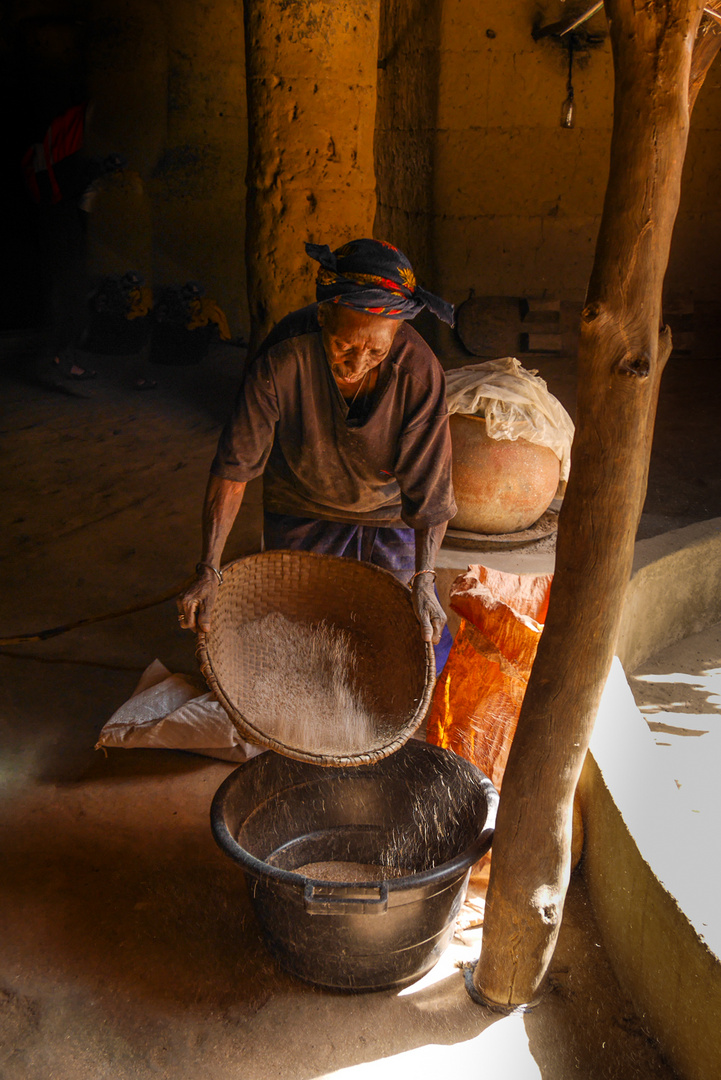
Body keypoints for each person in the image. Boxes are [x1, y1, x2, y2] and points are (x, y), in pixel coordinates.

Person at [177, 238, 457, 671]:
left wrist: (425, 579)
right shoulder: (282, 358)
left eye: (376, 351)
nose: (357, 363)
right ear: (324, 314)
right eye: (344, 345)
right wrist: (209, 568)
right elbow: (234, 468)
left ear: (398, 334)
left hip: (386, 512)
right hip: (301, 502)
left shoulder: (419, 376)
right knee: (299, 642)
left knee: (397, 641)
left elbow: (432, 493)